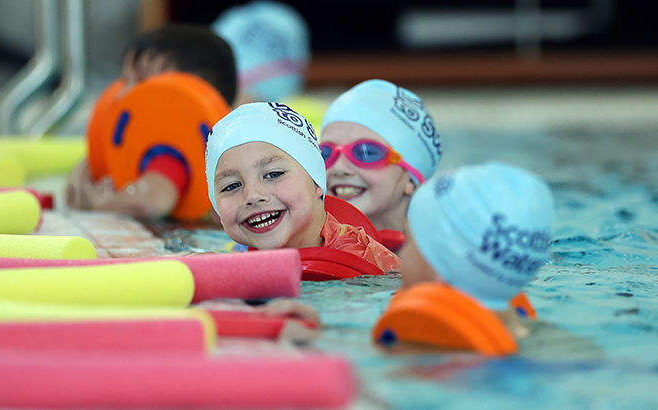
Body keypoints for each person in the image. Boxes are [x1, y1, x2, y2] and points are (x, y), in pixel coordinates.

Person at [65, 24, 237, 219]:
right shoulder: (147, 147)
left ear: (190, 95)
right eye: (124, 80)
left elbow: (149, 201)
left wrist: (98, 204)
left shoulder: (171, 154)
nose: (121, 94)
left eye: (141, 82)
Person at [205, 102, 400, 273]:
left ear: (317, 182)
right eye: (231, 186)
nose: (253, 195)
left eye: (273, 175)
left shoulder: (376, 269)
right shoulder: (233, 259)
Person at [398, 161, 555, 339]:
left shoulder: (417, 348)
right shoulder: (546, 337)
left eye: (409, 241)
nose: (402, 254)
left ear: (439, 270)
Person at [319, 79, 442, 251]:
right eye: (325, 153)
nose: (339, 168)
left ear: (411, 180)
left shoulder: (436, 260)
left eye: (367, 153)